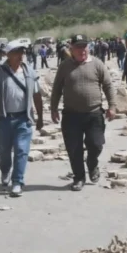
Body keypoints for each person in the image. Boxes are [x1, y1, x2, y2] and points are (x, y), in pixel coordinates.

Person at [50, 34, 117, 192]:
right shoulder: (65, 66)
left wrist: (112, 106)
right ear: (71, 49)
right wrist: (53, 109)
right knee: (74, 149)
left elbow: (108, 85)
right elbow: (56, 89)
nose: (82, 50)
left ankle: (92, 164)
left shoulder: (97, 64)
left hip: (93, 114)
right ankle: (79, 177)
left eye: (84, 46)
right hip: (71, 115)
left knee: (96, 144)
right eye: (78, 47)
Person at [0, 40, 44, 197]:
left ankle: (17, 181)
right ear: (8, 55)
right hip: (4, 118)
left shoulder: (29, 72)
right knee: (4, 150)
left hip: (23, 118)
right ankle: (5, 171)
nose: (20, 56)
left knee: (21, 150)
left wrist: (40, 117)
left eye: (22, 52)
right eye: (17, 52)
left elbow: (37, 96)